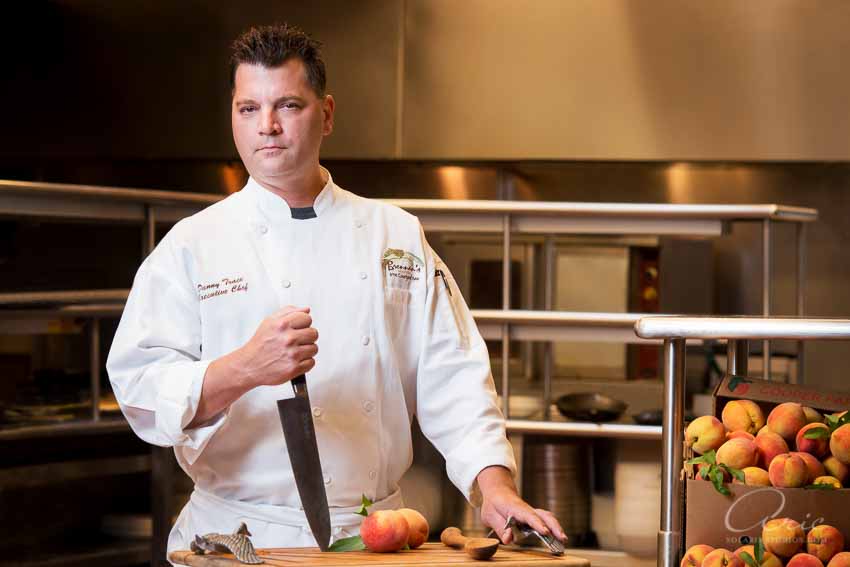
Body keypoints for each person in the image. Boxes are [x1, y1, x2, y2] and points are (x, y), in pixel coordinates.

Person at [106, 23, 565, 556]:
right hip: (237, 539)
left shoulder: (394, 235)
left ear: (325, 114)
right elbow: (140, 388)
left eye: (288, 106)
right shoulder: (193, 244)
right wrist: (245, 368)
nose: (268, 127)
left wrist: (494, 487)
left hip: (375, 537)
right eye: (248, 109)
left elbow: (453, 372)